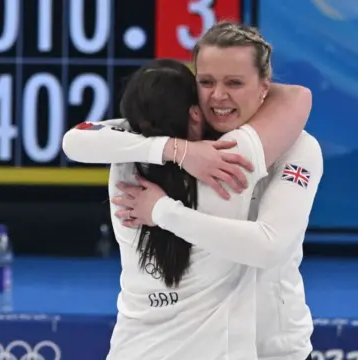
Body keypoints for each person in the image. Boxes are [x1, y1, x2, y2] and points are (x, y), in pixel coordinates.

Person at [63, 23, 319, 360]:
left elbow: (269, 245)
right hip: (215, 344)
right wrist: (178, 149)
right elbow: (76, 140)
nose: (218, 96)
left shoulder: (295, 148)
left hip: (275, 345)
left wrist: (162, 211)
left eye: (235, 83)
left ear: (264, 88)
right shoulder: (144, 142)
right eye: (207, 82)